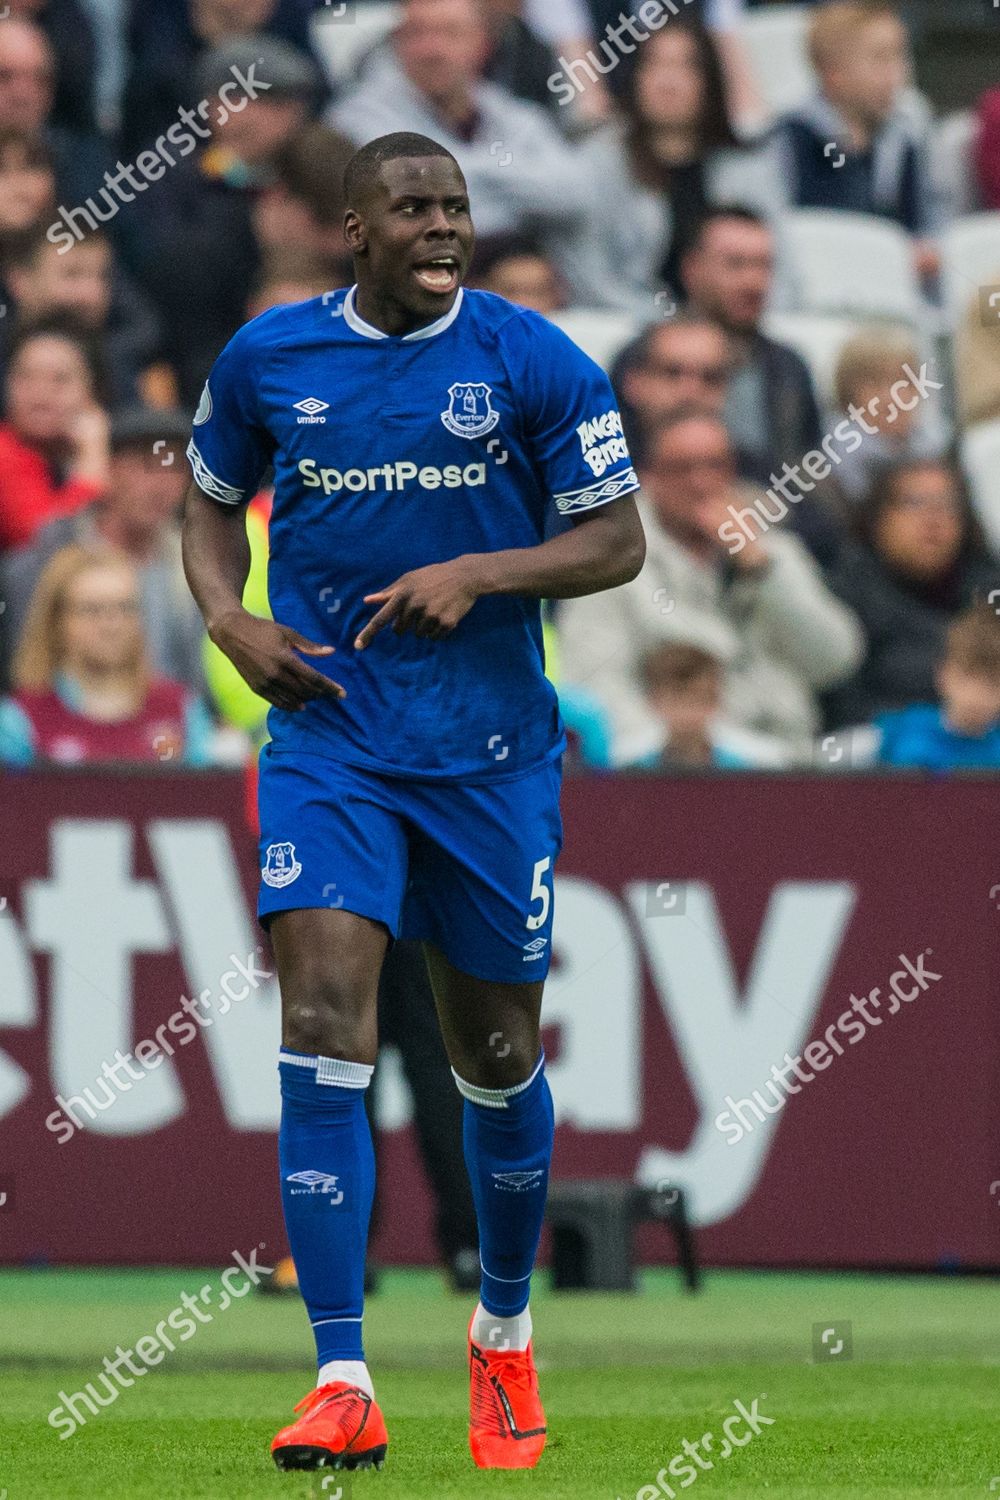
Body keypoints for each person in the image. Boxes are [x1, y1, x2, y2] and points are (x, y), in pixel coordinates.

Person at [181, 131, 644, 1472]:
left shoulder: (532, 358)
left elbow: (618, 539)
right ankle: (340, 1374)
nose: (443, 225)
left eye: (456, 206)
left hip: (492, 755)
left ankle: (502, 1335)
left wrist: (486, 574)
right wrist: (229, 618)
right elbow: (206, 504)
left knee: (494, 1056)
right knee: (323, 1013)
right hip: (333, 742)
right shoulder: (269, 359)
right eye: (414, 208)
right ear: (353, 230)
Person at [558, 408, 863, 764]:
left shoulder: (774, 552)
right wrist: (684, 753)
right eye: (682, 468)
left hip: (787, 764)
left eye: (714, 466)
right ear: (648, 476)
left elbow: (836, 661)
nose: (700, 483)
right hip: (671, 774)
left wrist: (764, 572)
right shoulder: (611, 561)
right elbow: (594, 686)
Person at [331, 0, 590, 254]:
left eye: (450, 33)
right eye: (416, 33)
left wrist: (464, 176)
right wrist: (521, 195)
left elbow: (575, 196)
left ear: (483, 46)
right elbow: (408, 212)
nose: (431, 50)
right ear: (396, 44)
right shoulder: (356, 119)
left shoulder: (516, 116)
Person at [556, 21, 777, 315]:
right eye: (654, 65)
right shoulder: (598, 162)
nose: (668, 81)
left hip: (735, 334)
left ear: (710, 81)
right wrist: (667, 324)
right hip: (627, 334)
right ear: (635, 77)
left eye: (687, 67)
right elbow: (590, 280)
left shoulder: (749, 170)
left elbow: (782, 277)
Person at [0, 407, 204, 691]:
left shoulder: (198, 563)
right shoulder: (46, 560)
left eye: (175, 468)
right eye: (144, 465)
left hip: (175, 726)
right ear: (109, 468)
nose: (160, 485)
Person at [823, 459, 1000, 728]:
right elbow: (839, 704)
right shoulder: (843, 595)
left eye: (948, 504)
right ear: (878, 518)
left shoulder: (990, 592)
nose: (933, 518)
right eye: (914, 502)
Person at [0, 543, 214, 764]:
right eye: (92, 610)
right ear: (57, 621)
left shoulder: (182, 711)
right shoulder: (20, 721)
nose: (111, 624)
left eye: (125, 608)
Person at [770, 1, 938, 275]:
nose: (897, 73)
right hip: (820, 281)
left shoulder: (904, 135)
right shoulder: (796, 137)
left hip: (892, 282)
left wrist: (925, 249)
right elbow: (783, 228)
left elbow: (922, 221)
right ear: (833, 74)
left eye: (900, 57)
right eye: (881, 59)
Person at [1, 227, 163, 407]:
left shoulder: (121, 361)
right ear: (20, 281)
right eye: (72, 274)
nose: (92, 294)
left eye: (102, 277)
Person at [0, 315, 109, 552]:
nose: (40, 395)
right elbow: (47, 546)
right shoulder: (4, 452)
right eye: (25, 377)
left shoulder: (112, 449)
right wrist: (92, 464)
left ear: (92, 390)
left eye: (60, 380)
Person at [869, 604, 1000, 772]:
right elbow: (828, 761)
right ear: (943, 675)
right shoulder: (896, 731)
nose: (977, 696)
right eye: (967, 679)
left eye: (993, 685)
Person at [827, 326, 946, 505]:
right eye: (874, 383)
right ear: (847, 392)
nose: (890, 397)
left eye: (903, 382)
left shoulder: (938, 454)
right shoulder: (831, 464)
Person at [633, 637, 789, 769]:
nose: (689, 711)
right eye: (679, 698)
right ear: (654, 700)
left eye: (700, 699)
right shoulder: (630, 772)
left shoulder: (747, 769)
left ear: (717, 700)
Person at [612, 312, 732, 461]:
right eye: (672, 373)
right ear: (633, 383)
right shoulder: (587, 474)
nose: (690, 392)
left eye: (710, 378)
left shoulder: (754, 476)